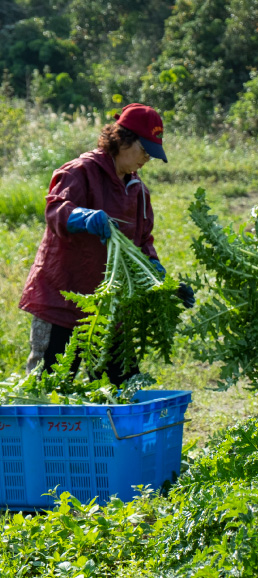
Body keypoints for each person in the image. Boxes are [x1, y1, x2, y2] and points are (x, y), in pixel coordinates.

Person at [19, 103, 194, 385]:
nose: (147, 158)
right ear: (123, 140)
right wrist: (81, 216)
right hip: (61, 299)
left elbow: (142, 241)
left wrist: (160, 278)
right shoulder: (81, 171)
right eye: (145, 149)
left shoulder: (137, 190)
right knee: (46, 386)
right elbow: (55, 210)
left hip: (109, 307)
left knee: (119, 388)